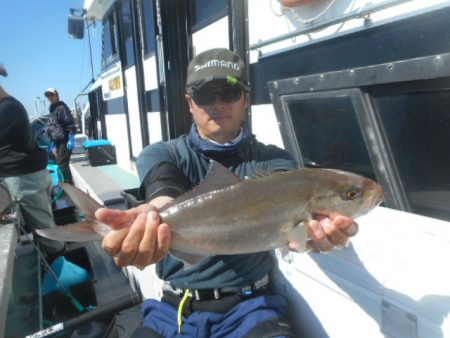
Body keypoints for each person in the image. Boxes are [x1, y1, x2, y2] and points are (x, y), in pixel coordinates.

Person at [95, 48, 357, 337]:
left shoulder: (275, 161)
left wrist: (310, 238)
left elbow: (287, 206)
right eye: (206, 95)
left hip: (251, 306)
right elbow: (164, 188)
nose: (218, 104)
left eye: (229, 93)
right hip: (173, 308)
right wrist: (153, 215)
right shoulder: (162, 152)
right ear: (190, 103)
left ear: (245, 98)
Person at [0, 65, 65, 258]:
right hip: (31, 178)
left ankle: (64, 274)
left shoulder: (7, 110)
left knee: (47, 234)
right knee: (46, 228)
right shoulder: (11, 106)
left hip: (24, 181)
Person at [44, 88, 76, 184]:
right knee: (60, 163)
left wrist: (71, 138)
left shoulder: (62, 107)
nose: (50, 97)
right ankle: (69, 185)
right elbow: (52, 126)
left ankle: (67, 186)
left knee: (62, 164)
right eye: (48, 95)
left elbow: (70, 123)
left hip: (65, 140)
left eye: (51, 95)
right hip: (57, 142)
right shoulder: (51, 108)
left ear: (57, 95)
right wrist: (53, 143)